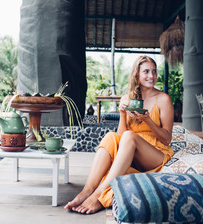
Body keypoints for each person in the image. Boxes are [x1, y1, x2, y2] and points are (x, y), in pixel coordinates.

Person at [64, 56, 174, 214]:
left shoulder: (163, 99)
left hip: (156, 154)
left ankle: (98, 195)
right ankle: (87, 190)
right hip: (132, 151)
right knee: (110, 136)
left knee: (130, 136)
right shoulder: (127, 99)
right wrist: (122, 114)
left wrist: (147, 120)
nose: (152, 76)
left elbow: (167, 138)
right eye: (146, 71)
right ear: (136, 75)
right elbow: (120, 138)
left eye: (154, 71)